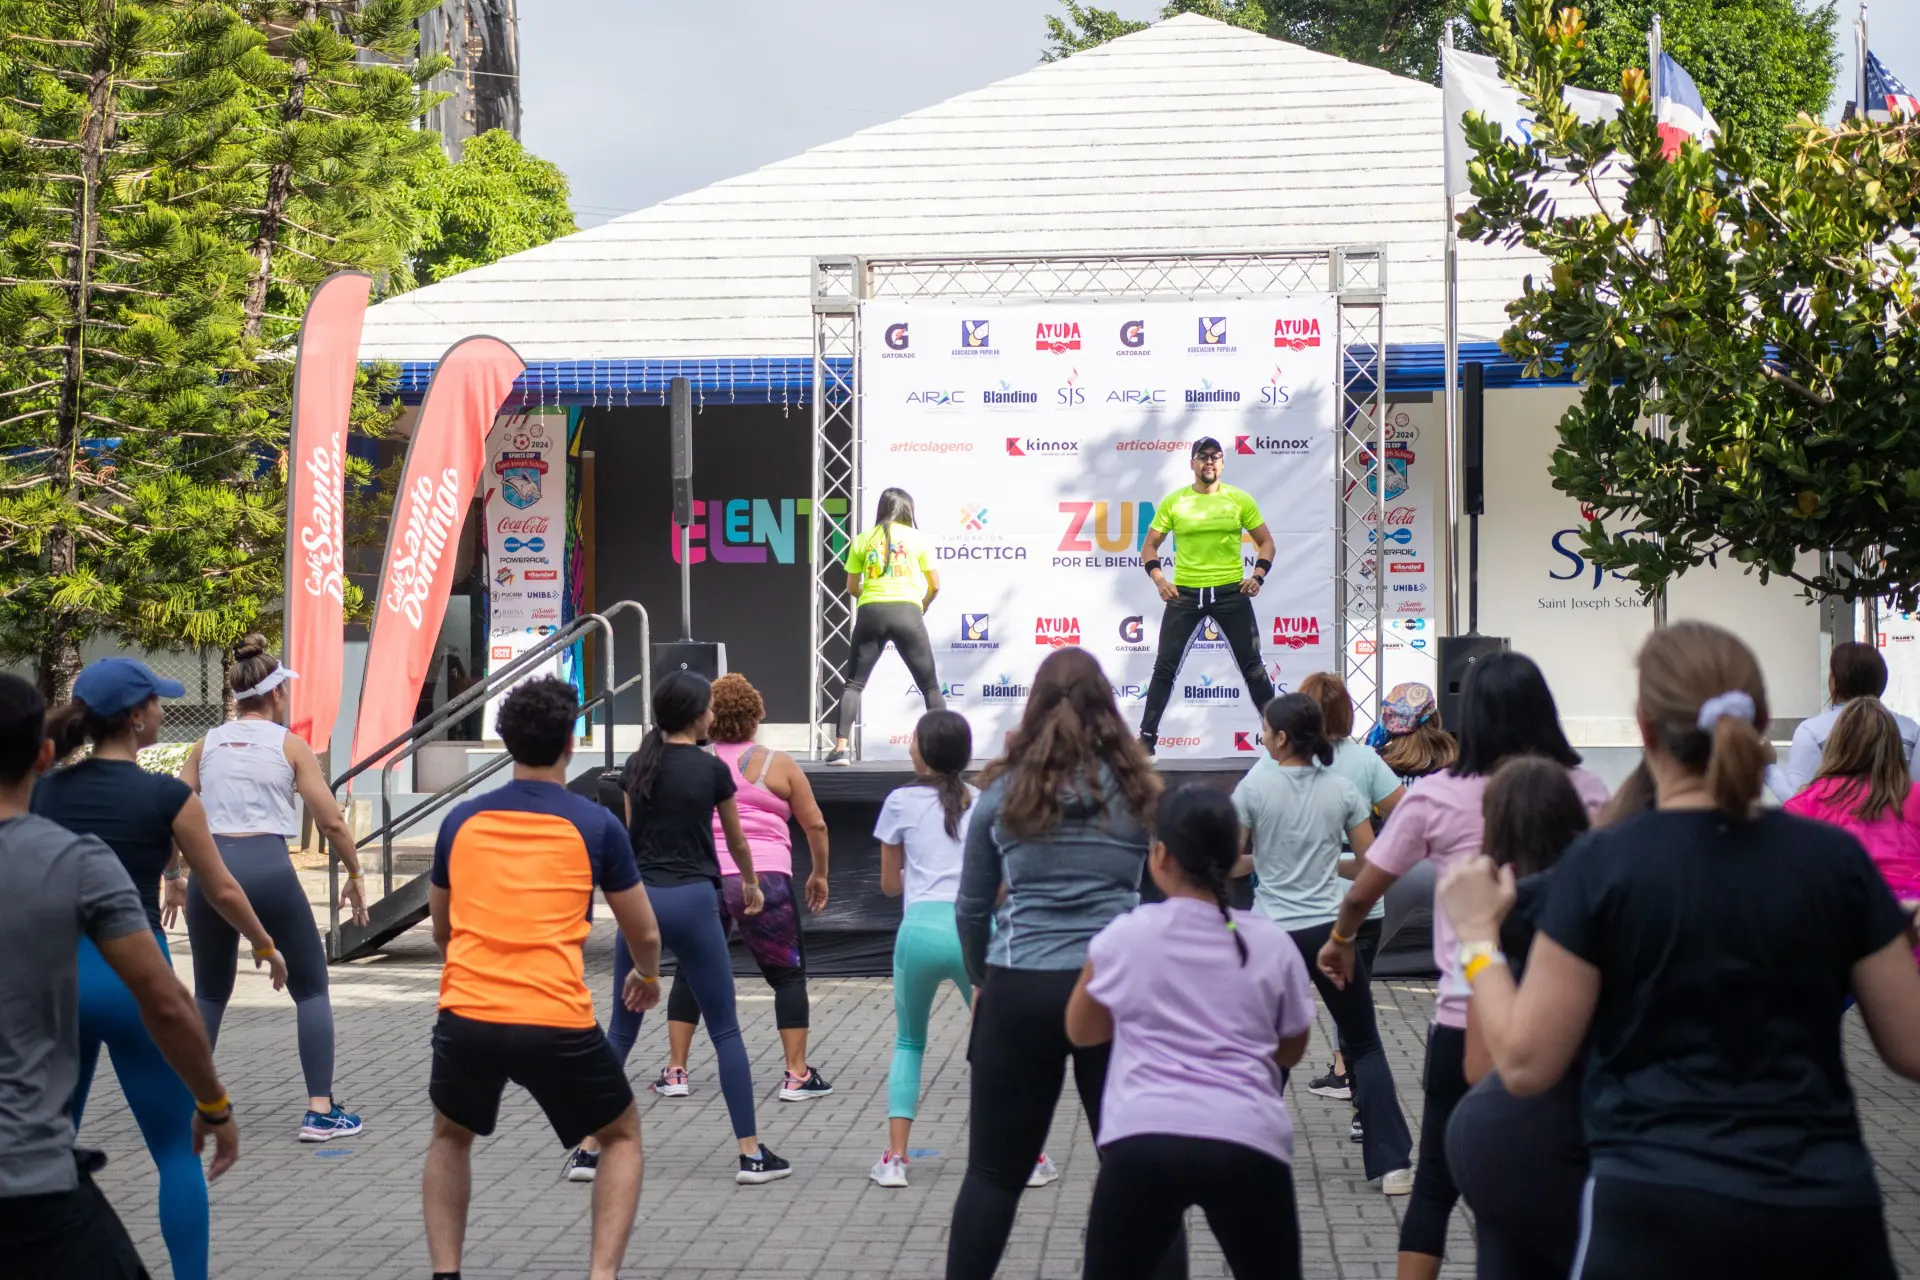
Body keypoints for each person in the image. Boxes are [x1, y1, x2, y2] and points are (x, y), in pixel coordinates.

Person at [1438, 620, 1920, 1280]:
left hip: (1654, 1213)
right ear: (1755, 719)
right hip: (1824, 1213)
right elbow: (1912, 1046)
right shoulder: (1832, 860)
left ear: (1644, 725)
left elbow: (1524, 1064)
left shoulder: (1602, 866)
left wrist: (1476, 941)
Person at [1316, 651, 1609, 1280]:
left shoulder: (1440, 796)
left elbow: (1367, 884)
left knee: (1435, 1186)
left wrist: (1341, 937)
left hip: (1465, 1015)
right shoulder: (1585, 790)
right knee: (1569, 1174)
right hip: (1568, 1016)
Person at [32, 661, 288, 1280]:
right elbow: (222, 888)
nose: (164, 711)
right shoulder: (168, 797)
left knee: (42, 1156)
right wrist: (264, 944)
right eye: (157, 702)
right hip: (136, 978)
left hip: (59, 979)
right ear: (137, 717)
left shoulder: (44, 790)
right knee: (176, 1153)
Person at [948, 646, 1185, 1280]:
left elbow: (971, 908)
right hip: (1117, 988)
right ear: (1107, 707)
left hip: (1019, 988)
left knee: (994, 1175)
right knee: (1144, 1172)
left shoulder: (999, 795)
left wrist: (982, 980)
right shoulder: (1142, 793)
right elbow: (1174, 897)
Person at [424, 679, 665, 1280]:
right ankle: (601, 1275)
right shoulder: (596, 825)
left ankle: (445, 1273)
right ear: (569, 742)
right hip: (554, 1017)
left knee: (451, 1136)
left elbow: (441, 929)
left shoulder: (460, 821)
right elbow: (646, 932)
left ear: (506, 743)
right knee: (621, 1135)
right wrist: (648, 974)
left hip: (468, 1014)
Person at [1066, 785, 1315, 1280]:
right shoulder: (1271, 942)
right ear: (1234, 857)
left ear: (1159, 856)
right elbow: (1291, 1049)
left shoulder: (1126, 934)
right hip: (1247, 1138)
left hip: (1143, 1138)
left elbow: (1082, 1031)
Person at [586, 670, 792, 1184]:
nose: (713, 716)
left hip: (642, 902)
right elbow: (738, 840)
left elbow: (633, 836)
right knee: (724, 1029)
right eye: (708, 708)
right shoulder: (711, 771)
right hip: (696, 900)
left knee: (620, 1029)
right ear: (697, 715)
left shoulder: (638, 765)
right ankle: (750, 1153)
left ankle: (589, 1148)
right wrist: (748, 882)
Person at [181, 634, 367, 1142]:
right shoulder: (290, 745)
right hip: (268, 869)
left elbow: (174, 809)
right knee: (311, 988)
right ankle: (320, 1111)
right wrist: (354, 874)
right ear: (277, 694)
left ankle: (184, 1107)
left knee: (210, 993)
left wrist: (175, 876)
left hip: (210, 871)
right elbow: (330, 821)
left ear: (238, 696)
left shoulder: (206, 743)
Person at [1231, 693, 1413, 1194]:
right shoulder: (1341, 790)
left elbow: (1226, 861)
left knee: (1266, 1045)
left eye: (1265, 729)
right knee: (1364, 1042)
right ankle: (1393, 1163)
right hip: (1332, 933)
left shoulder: (1254, 785)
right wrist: (1327, 866)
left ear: (1283, 737)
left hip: (1271, 935)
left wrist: (1264, 866)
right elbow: (1373, 866)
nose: (1261, 736)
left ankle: (1249, 1156)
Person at [1443, 757, 1592, 1280]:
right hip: (1584, 1145)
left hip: (1517, 1145)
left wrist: (1478, 948)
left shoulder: (1492, 917)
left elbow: (1482, 1065)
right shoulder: (1604, 903)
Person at [656, 673, 834, 1103]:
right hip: (766, 878)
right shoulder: (780, 764)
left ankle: (676, 1071)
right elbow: (816, 825)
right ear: (756, 716)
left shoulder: (696, 764)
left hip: (705, 879)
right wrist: (819, 874)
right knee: (788, 975)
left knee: (689, 971)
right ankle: (796, 1075)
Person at [870, 709, 977, 1188]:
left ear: (926, 751)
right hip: (975, 931)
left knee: (909, 1042)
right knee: (997, 1048)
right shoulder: (984, 800)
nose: (908, 745)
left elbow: (889, 887)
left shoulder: (898, 802)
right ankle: (1030, 1157)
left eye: (913, 739)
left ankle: (895, 1159)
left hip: (918, 930)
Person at [1294, 672, 1403, 1116]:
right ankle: (1366, 1114)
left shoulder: (1285, 761)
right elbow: (1407, 812)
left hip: (1299, 906)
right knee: (1359, 1020)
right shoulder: (1366, 761)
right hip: (1363, 898)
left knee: (1271, 1014)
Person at [1136, 437, 1277, 756]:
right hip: (1185, 593)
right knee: (1164, 668)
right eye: (1202, 457)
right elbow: (1148, 546)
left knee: (1253, 667)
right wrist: (1159, 580)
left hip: (1230, 591)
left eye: (1215, 457)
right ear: (1192, 464)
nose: (1209, 462)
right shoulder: (1174, 502)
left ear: (1223, 463)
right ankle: (1146, 741)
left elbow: (1266, 543)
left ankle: (1279, 737)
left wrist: (1258, 576)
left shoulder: (1240, 500)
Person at [1787, 697, 1920, 961]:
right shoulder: (1915, 797)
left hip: (1834, 948)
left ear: (1837, 744)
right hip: (1909, 941)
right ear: (1894, 747)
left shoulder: (1804, 805)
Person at [827, 486, 942, 765]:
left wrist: (872, 599)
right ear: (907, 510)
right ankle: (941, 748)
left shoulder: (862, 540)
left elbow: (851, 587)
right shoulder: (917, 539)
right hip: (907, 611)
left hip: (871, 611)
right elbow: (935, 584)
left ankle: (840, 749)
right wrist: (922, 604)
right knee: (929, 687)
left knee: (853, 684)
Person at [1771, 639, 1920, 797]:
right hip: (1896, 820)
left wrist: (1769, 769)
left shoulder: (1812, 731)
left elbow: (1796, 798)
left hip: (1831, 822)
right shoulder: (1911, 730)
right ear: (1882, 680)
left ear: (1835, 681)